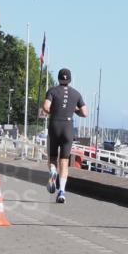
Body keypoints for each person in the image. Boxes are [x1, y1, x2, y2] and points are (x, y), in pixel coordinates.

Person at [41, 67, 88, 204]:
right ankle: (62, 192)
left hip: (55, 125)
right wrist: (74, 110)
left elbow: (45, 107)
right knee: (65, 161)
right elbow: (85, 113)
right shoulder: (76, 94)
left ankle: (53, 171)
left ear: (59, 78)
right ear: (70, 79)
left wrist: (53, 111)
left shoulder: (52, 91)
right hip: (68, 127)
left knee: (52, 158)